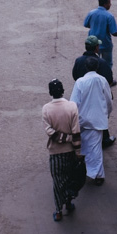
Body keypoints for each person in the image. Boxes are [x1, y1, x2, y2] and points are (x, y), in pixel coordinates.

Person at [42, 79, 85, 222]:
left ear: (50, 93)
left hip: (55, 154)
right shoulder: (72, 107)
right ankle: (68, 203)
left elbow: (50, 132)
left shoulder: (46, 109)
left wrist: (63, 138)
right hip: (70, 152)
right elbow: (76, 132)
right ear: (63, 90)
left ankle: (58, 211)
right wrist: (77, 151)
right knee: (70, 179)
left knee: (57, 182)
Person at [72, 57, 113, 186]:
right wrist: (107, 114)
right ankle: (97, 175)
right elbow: (108, 99)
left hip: (82, 119)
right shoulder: (102, 80)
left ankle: (86, 168)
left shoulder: (80, 82)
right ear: (97, 68)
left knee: (83, 144)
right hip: (97, 120)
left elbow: (73, 102)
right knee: (95, 149)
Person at [71, 36, 116, 147]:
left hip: (83, 93)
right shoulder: (102, 62)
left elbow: (75, 75)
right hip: (98, 94)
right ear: (96, 48)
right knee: (101, 114)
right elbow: (109, 79)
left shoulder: (79, 61)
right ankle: (104, 138)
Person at [83, 0, 117, 71]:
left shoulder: (91, 13)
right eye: (109, 2)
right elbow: (113, 32)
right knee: (107, 63)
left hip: (92, 44)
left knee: (92, 62)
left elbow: (86, 24)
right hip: (105, 44)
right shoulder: (109, 16)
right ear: (105, 4)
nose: (110, 4)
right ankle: (108, 80)